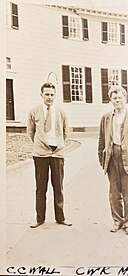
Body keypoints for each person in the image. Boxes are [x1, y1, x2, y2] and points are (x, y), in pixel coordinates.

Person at [98, 85, 128, 235]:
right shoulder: (106, 118)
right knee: (114, 193)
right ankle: (117, 220)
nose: (117, 100)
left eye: (120, 97)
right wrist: (102, 158)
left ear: (125, 99)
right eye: (114, 98)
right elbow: (101, 140)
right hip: (112, 158)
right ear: (111, 100)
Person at [27, 82, 72, 228]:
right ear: (41, 95)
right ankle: (40, 218)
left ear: (55, 96)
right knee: (41, 187)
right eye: (46, 94)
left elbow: (66, 132)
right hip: (40, 154)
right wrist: (41, 144)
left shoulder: (60, 112)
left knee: (58, 187)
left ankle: (61, 217)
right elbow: (30, 131)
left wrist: (57, 145)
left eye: (52, 94)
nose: (49, 97)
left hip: (57, 154)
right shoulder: (34, 111)